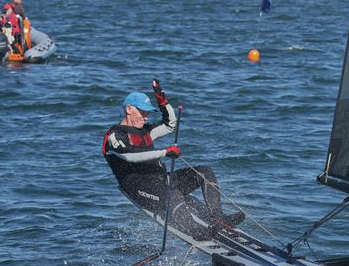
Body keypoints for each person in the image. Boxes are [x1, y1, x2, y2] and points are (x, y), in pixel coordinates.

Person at [102, 80, 244, 237]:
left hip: (162, 180)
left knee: (205, 172)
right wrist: (164, 152)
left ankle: (218, 218)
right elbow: (129, 155)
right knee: (172, 193)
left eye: (148, 112)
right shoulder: (115, 135)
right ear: (129, 109)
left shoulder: (146, 131)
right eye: (142, 112)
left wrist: (162, 100)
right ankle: (197, 232)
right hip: (138, 189)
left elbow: (170, 124)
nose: (146, 117)